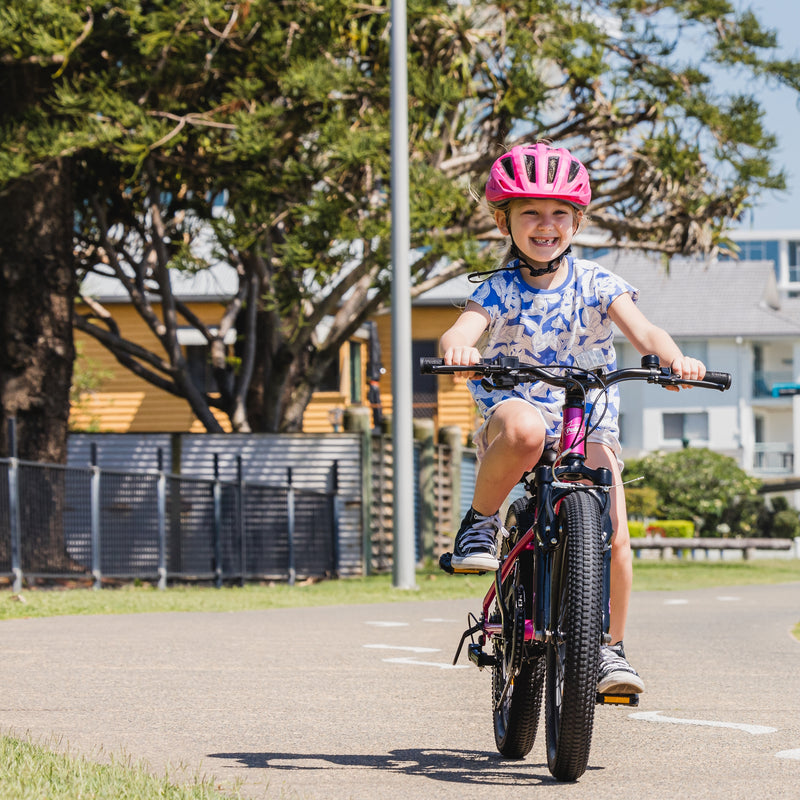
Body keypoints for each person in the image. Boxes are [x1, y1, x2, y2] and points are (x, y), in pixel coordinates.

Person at [439, 142, 706, 695]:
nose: (546, 224)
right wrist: (458, 350)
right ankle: (480, 523)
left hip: (587, 413)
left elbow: (645, 332)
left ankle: (609, 649)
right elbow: (461, 331)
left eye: (560, 212)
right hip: (514, 405)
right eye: (530, 212)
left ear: (577, 221)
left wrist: (674, 358)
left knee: (613, 531)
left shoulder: (597, 283)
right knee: (526, 432)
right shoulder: (497, 288)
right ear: (503, 221)